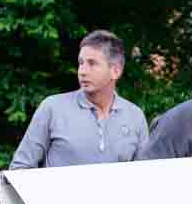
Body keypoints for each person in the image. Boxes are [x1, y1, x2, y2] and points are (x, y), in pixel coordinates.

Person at [10, 30, 148, 168]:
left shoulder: (135, 116)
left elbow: (143, 178)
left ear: (115, 71)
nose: (82, 71)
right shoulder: (53, 109)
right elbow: (19, 169)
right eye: (81, 63)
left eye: (92, 63)